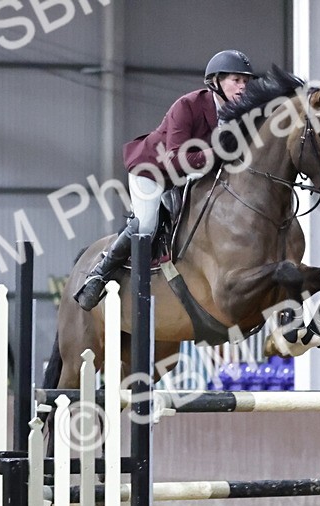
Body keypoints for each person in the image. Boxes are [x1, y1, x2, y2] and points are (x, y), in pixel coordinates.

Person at [73, 49, 255, 311]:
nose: (242, 87)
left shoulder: (239, 115)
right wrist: (219, 153)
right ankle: (99, 274)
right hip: (153, 170)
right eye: (236, 80)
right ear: (215, 81)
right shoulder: (188, 105)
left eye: (246, 82)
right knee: (146, 224)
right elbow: (175, 158)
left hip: (191, 175)